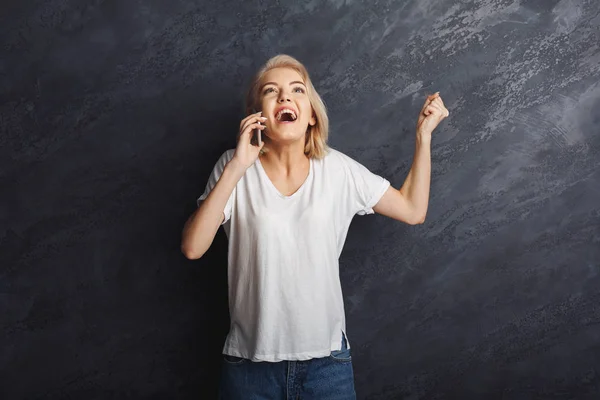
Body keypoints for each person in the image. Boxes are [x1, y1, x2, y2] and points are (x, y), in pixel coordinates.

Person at [181, 54, 449, 399]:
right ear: (258, 115)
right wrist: (237, 166)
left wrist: (423, 137)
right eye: (271, 91)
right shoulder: (232, 168)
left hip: (327, 367)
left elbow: (413, 209)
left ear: (310, 115)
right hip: (249, 368)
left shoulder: (337, 170)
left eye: (296, 90)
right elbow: (193, 247)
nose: (284, 97)